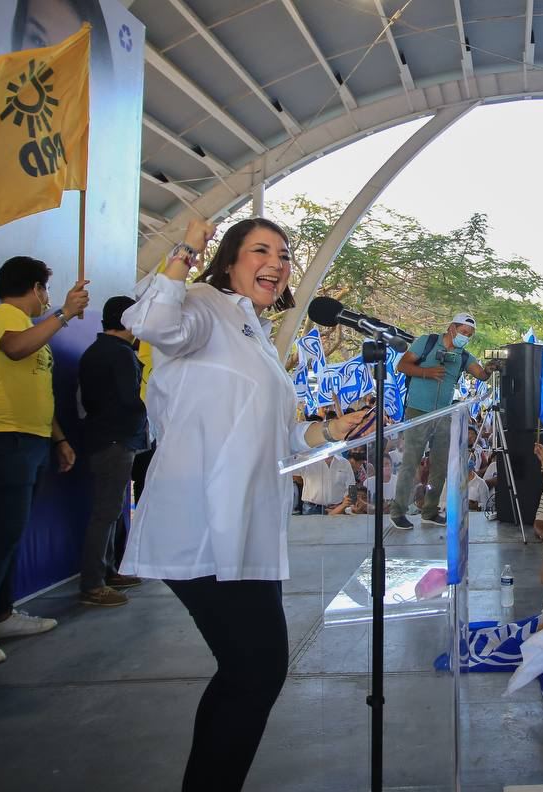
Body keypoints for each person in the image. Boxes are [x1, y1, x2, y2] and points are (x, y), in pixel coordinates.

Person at [120, 218, 372, 791]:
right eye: (261, 250)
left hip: (247, 529)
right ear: (229, 260)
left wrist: (331, 430)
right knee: (255, 669)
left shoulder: (255, 332)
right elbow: (151, 322)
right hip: (202, 524)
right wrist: (186, 249)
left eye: (284, 255)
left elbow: (281, 435)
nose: (277, 263)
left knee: (249, 671)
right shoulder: (203, 302)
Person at [0, 256, 88, 666]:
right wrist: (64, 313)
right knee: (3, 533)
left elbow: (38, 391)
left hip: (30, 441)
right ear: (35, 288)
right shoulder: (3, 318)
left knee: (11, 533)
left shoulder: (30, 330)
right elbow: (14, 349)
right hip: (3, 438)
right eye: (45, 290)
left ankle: (1, 614)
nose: (47, 298)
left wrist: (59, 439)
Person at [389, 314, 494, 529]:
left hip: (445, 413)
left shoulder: (463, 356)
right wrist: (425, 372)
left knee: (439, 465)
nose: (466, 337)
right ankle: (398, 511)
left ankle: (429, 511)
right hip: (418, 410)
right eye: (463, 332)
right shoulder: (427, 342)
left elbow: (482, 375)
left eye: (469, 335)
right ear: (451, 328)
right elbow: (402, 366)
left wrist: (491, 369)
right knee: (411, 462)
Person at [76, 295, 147, 607]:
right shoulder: (119, 354)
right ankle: (93, 584)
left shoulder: (98, 351)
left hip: (104, 437)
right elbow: (129, 399)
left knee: (113, 509)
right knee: (107, 511)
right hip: (116, 439)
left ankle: (107, 570)